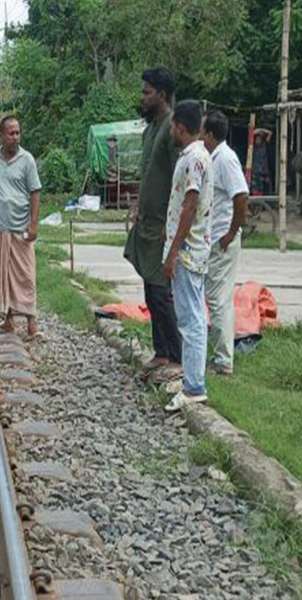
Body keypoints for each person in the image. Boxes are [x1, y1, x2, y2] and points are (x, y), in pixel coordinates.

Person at [124, 66, 182, 380]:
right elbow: (149, 173)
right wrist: (137, 203)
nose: (143, 97)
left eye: (147, 92)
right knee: (150, 289)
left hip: (162, 226)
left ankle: (176, 356)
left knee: (161, 293)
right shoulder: (152, 129)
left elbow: (178, 178)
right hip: (147, 223)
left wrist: (169, 224)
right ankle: (161, 353)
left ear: (162, 94)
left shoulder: (172, 127)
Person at [0, 116, 43, 340]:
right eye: (11, 133)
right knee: (3, 275)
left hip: (21, 227)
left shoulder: (27, 160)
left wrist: (33, 223)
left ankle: (32, 323)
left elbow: (35, 192)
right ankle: (8, 321)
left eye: (18, 133)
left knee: (26, 275)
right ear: (2, 135)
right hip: (1, 227)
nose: (15, 137)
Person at [164, 100, 213, 412]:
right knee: (190, 316)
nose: (170, 130)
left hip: (187, 252)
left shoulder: (194, 158)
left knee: (191, 319)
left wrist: (172, 251)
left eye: (172, 125)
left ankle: (194, 386)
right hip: (190, 249)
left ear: (180, 126)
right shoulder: (197, 155)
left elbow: (190, 206)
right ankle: (190, 379)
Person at [201, 110, 248, 377]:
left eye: (201, 132)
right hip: (215, 237)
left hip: (223, 238)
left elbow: (241, 196)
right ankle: (220, 355)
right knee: (215, 298)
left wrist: (231, 232)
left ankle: (223, 361)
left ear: (209, 134)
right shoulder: (214, 158)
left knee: (218, 300)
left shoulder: (226, 159)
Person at [251, 129, 271, 195]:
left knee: (263, 189)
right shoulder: (252, 147)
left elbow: (270, 133)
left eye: (259, 139)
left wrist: (261, 130)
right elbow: (250, 134)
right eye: (256, 139)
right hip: (255, 171)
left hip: (264, 172)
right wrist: (257, 131)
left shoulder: (265, 146)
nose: (258, 140)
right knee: (255, 189)